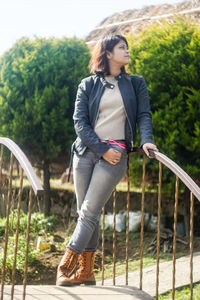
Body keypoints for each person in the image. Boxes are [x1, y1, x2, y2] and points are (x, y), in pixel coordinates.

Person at [56, 34, 158, 286]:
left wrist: (146, 139)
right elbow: (79, 122)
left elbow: (143, 115)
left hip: (114, 156)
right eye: (122, 47)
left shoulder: (136, 83)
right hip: (86, 153)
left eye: (127, 47)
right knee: (87, 213)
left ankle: (65, 265)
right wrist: (100, 148)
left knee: (89, 211)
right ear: (108, 53)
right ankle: (86, 272)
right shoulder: (88, 84)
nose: (128, 51)